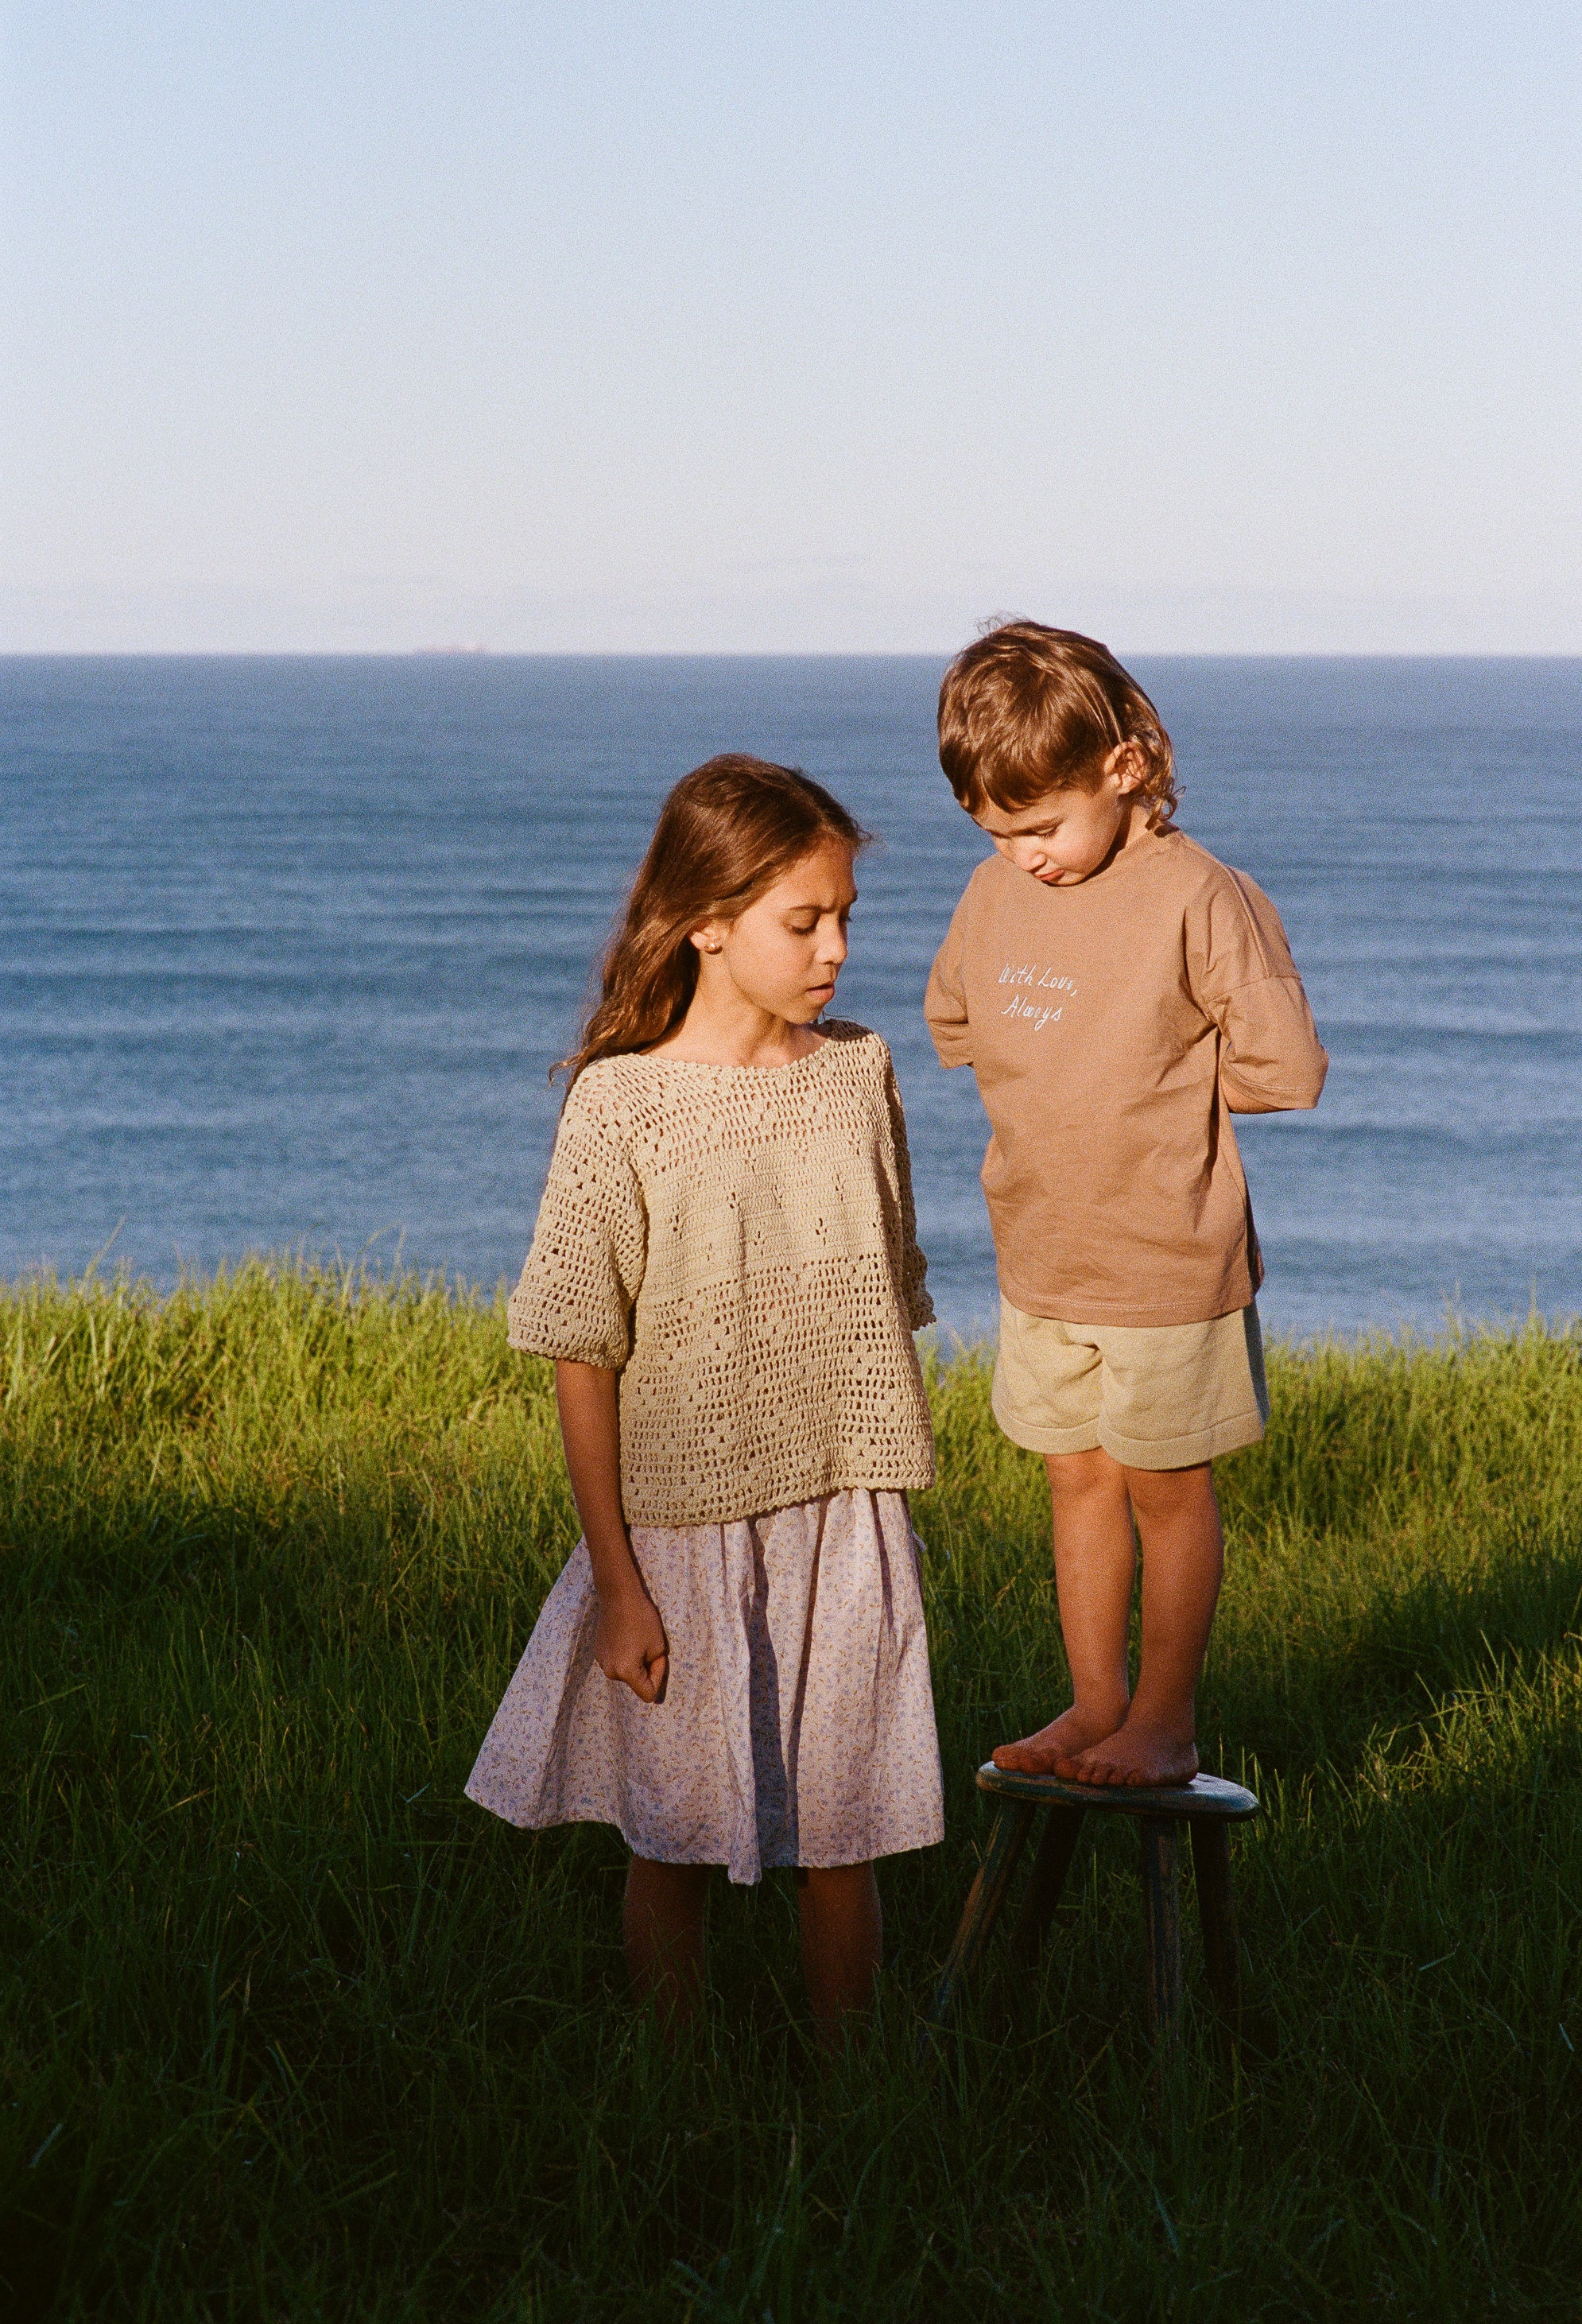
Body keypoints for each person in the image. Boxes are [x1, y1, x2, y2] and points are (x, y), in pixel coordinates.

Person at [467, 753, 943, 2041]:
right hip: (677, 1528)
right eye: (806, 920)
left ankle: (860, 2103)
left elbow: (884, 1292)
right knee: (672, 1833)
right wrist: (616, 1582)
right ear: (708, 921)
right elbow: (580, 1350)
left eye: (846, 915)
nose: (836, 946)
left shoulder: (858, 1072)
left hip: (846, 1511)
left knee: (847, 1833)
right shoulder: (621, 1105)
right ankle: (668, 2095)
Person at [925, 622, 1327, 1788]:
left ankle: (1163, 1718)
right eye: (996, 836)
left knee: (1163, 1487)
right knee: (1075, 1478)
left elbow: (1283, 1069)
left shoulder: (1202, 895)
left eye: (1041, 828)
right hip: (1041, 1255)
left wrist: (1147, 1090)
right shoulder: (992, 893)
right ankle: (1094, 1700)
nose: (1025, 858)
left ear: (1126, 764)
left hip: (1165, 1260)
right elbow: (956, 1022)